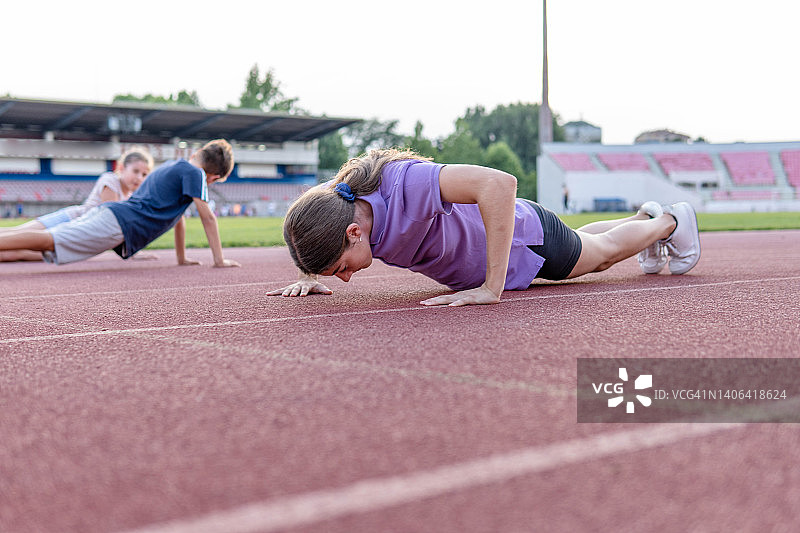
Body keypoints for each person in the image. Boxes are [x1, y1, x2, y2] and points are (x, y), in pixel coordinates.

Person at [268, 149, 701, 306]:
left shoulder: (404, 184)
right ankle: (645, 218)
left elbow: (500, 183)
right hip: (516, 243)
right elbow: (310, 214)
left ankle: (670, 220)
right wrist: (310, 272)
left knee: (602, 256)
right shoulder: (340, 202)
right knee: (591, 240)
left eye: (340, 267)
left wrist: (491, 289)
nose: (344, 278)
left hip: (525, 243)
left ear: (353, 233)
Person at [0, 139, 240, 269]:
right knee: (48, 240)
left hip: (113, 216)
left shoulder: (171, 165)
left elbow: (180, 219)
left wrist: (181, 258)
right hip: (119, 223)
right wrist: (219, 260)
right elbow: (207, 216)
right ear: (213, 177)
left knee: (49, 241)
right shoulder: (195, 174)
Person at [0, 147, 154, 261]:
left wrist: (133, 251)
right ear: (121, 168)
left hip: (75, 235)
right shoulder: (110, 180)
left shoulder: (132, 197)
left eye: (144, 174)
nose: (139, 178)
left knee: (16, 253)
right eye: (135, 171)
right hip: (70, 219)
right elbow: (111, 219)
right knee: (15, 234)